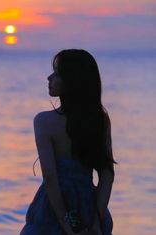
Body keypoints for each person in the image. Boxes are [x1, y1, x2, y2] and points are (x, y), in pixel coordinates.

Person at [20, 49, 117, 235]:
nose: (49, 78)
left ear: (72, 81)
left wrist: (66, 227)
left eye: (57, 74)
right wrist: (97, 222)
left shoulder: (44, 122)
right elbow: (107, 175)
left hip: (54, 210)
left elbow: (51, 179)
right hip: (89, 206)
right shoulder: (100, 120)